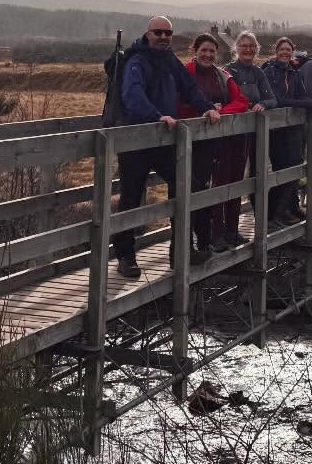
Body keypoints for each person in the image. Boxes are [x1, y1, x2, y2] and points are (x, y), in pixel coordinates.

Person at [110, 16, 221, 279]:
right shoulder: (136, 60)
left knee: (190, 186)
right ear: (147, 34)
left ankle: (180, 249)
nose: (163, 37)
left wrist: (205, 107)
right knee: (131, 198)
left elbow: (189, 86)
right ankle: (125, 257)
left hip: (163, 140)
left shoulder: (169, 60)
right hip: (136, 140)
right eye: (158, 32)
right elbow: (132, 95)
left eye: (167, 33)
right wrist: (156, 115)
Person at [177, 33, 254, 255]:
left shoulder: (222, 75)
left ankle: (229, 230)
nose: (208, 55)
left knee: (229, 181)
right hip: (195, 142)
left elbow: (241, 100)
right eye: (204, 50)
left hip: (223, 138)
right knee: (203, 187)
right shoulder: (185, 74)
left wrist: (221, 112)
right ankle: (210, 235)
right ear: (195, 51)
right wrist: (205, 111)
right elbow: (178, 104)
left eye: (212, 51)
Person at [216, 31, 277, 247]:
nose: (248, 49)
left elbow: (271, 98)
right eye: (243, 45)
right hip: (228, 135)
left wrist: (263, 105)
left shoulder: (258, 73)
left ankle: (232, 230)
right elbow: (224, 100)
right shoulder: (227, 72)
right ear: (236, 49)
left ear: (256, 49)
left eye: (252, 46)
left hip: (249, 135)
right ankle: (219, 231)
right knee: (224, 180)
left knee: (241, 181)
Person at [260, 36, 312, 225]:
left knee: (295, 165)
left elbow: (301, 93)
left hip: (292, 128)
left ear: (292, 51)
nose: (285, 52)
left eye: (288, 49)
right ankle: (273, 214)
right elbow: (278, 99)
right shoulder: (269, 71)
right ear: (276, 51)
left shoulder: (294, 72)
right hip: (275, 129)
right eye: (282, 49)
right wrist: (307, 103)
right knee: (281, 168)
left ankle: (288, 208)